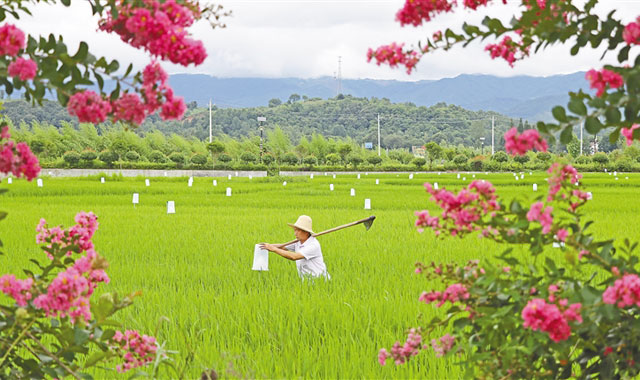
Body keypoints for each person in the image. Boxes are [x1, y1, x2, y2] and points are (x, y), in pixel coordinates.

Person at [260, 215, 329, 279]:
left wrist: (273, 249)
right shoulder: (298, 242)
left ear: (306, 232)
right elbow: (282, 246)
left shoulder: (313, 245)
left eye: (298, 230)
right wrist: (267, 246)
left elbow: (294, 257)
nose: (295, 233)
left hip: (319, 280)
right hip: (306, 281)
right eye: (295, 230)